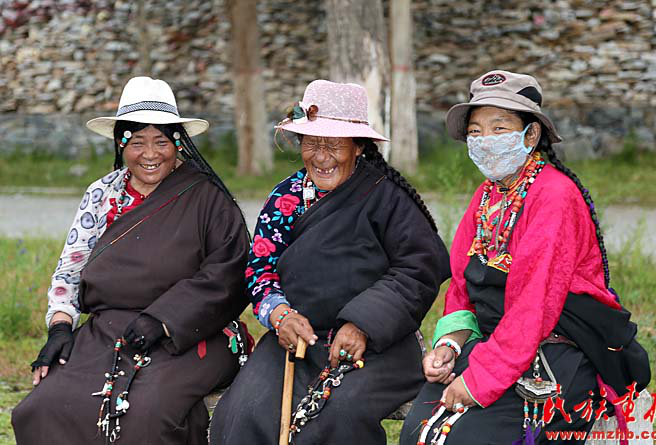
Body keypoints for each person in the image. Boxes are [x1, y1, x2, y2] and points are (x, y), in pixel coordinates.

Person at [400, 70, 650, 445]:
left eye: (499, 129)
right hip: (497, 342)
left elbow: (535, 303)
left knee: (463, 439)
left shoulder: (555, 197)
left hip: (559, 348)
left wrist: (480, 379)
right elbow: (462, 284)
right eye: (475, 132)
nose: (485, 141)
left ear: (530, 135)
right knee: (417, 432)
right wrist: (449, 345)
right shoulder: (487, 196)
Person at [209, 79, 450, 444]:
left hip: (379, 343)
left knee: (337, 414)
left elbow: (417, 270)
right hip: (295, 339)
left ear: (358, 147)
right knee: (243, 413)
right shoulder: (286, 198)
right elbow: (260, 268)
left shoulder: (388, 198)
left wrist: (362, 324)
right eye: (312, 143)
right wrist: (280, 315)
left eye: (334, 145)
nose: (321, 157)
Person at [12, 77, 251, 445]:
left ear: (178, 144)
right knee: (42, 408)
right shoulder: (101, 195)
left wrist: (164, 320)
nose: (150, 154)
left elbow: (229, 274)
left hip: (191, 333)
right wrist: (60, 326)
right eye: (137, 142)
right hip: (108, 332)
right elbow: (70, 270)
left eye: (161, 142)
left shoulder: (208, 198)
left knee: (144, 414)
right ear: (121, 144)